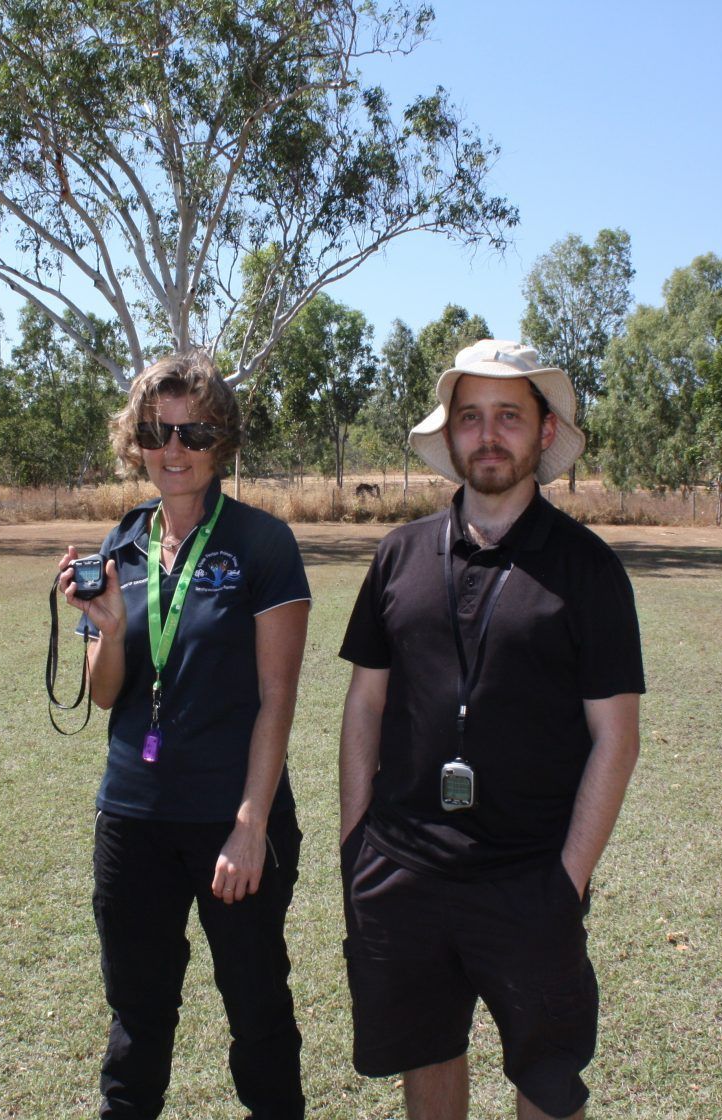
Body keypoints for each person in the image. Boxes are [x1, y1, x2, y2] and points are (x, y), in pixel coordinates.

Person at [337, 340, 645, 1120]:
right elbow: (364, 704)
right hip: (403, 872)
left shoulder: (589, 570)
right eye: (470, 417)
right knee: (427, 1053)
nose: (488, 434)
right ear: (451, 435)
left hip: (531, 881)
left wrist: (568, 879)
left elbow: (617, 737)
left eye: (509, 415)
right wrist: (355, 840)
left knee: (546, 1083)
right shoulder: (399, 556)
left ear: (545, 433)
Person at [57, 350, 310, 1120]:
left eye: (194, 433)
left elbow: (278, 699)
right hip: (133, 816)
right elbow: (106, 698)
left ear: (222, 441)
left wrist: (250, 825)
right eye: (156, 432)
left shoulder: (263, 544)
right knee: (138, 1015)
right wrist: (106, 631)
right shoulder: (121, 546)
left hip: (231, 820)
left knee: (257, 1010)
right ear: (135, 441)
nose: (174, 450)